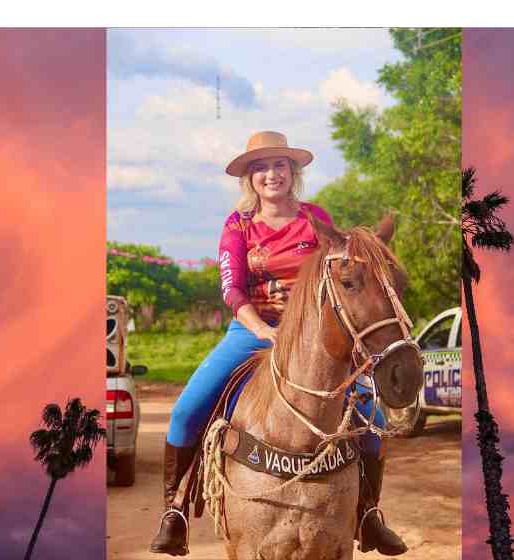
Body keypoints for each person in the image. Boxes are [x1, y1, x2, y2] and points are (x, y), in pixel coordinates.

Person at [150, 131, 407, 557]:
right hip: (253, 330)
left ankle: (368, 513)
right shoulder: (238, 226)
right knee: (184, 412)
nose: (272, 174)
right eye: (261, 168)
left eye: (279, 165)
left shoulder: (315, 219)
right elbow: (232, 290)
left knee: (373, 414)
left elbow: (337, 273)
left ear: (293, 173)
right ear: (249, 179)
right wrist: (261, 329)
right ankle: (175, 510)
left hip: (314, 335)